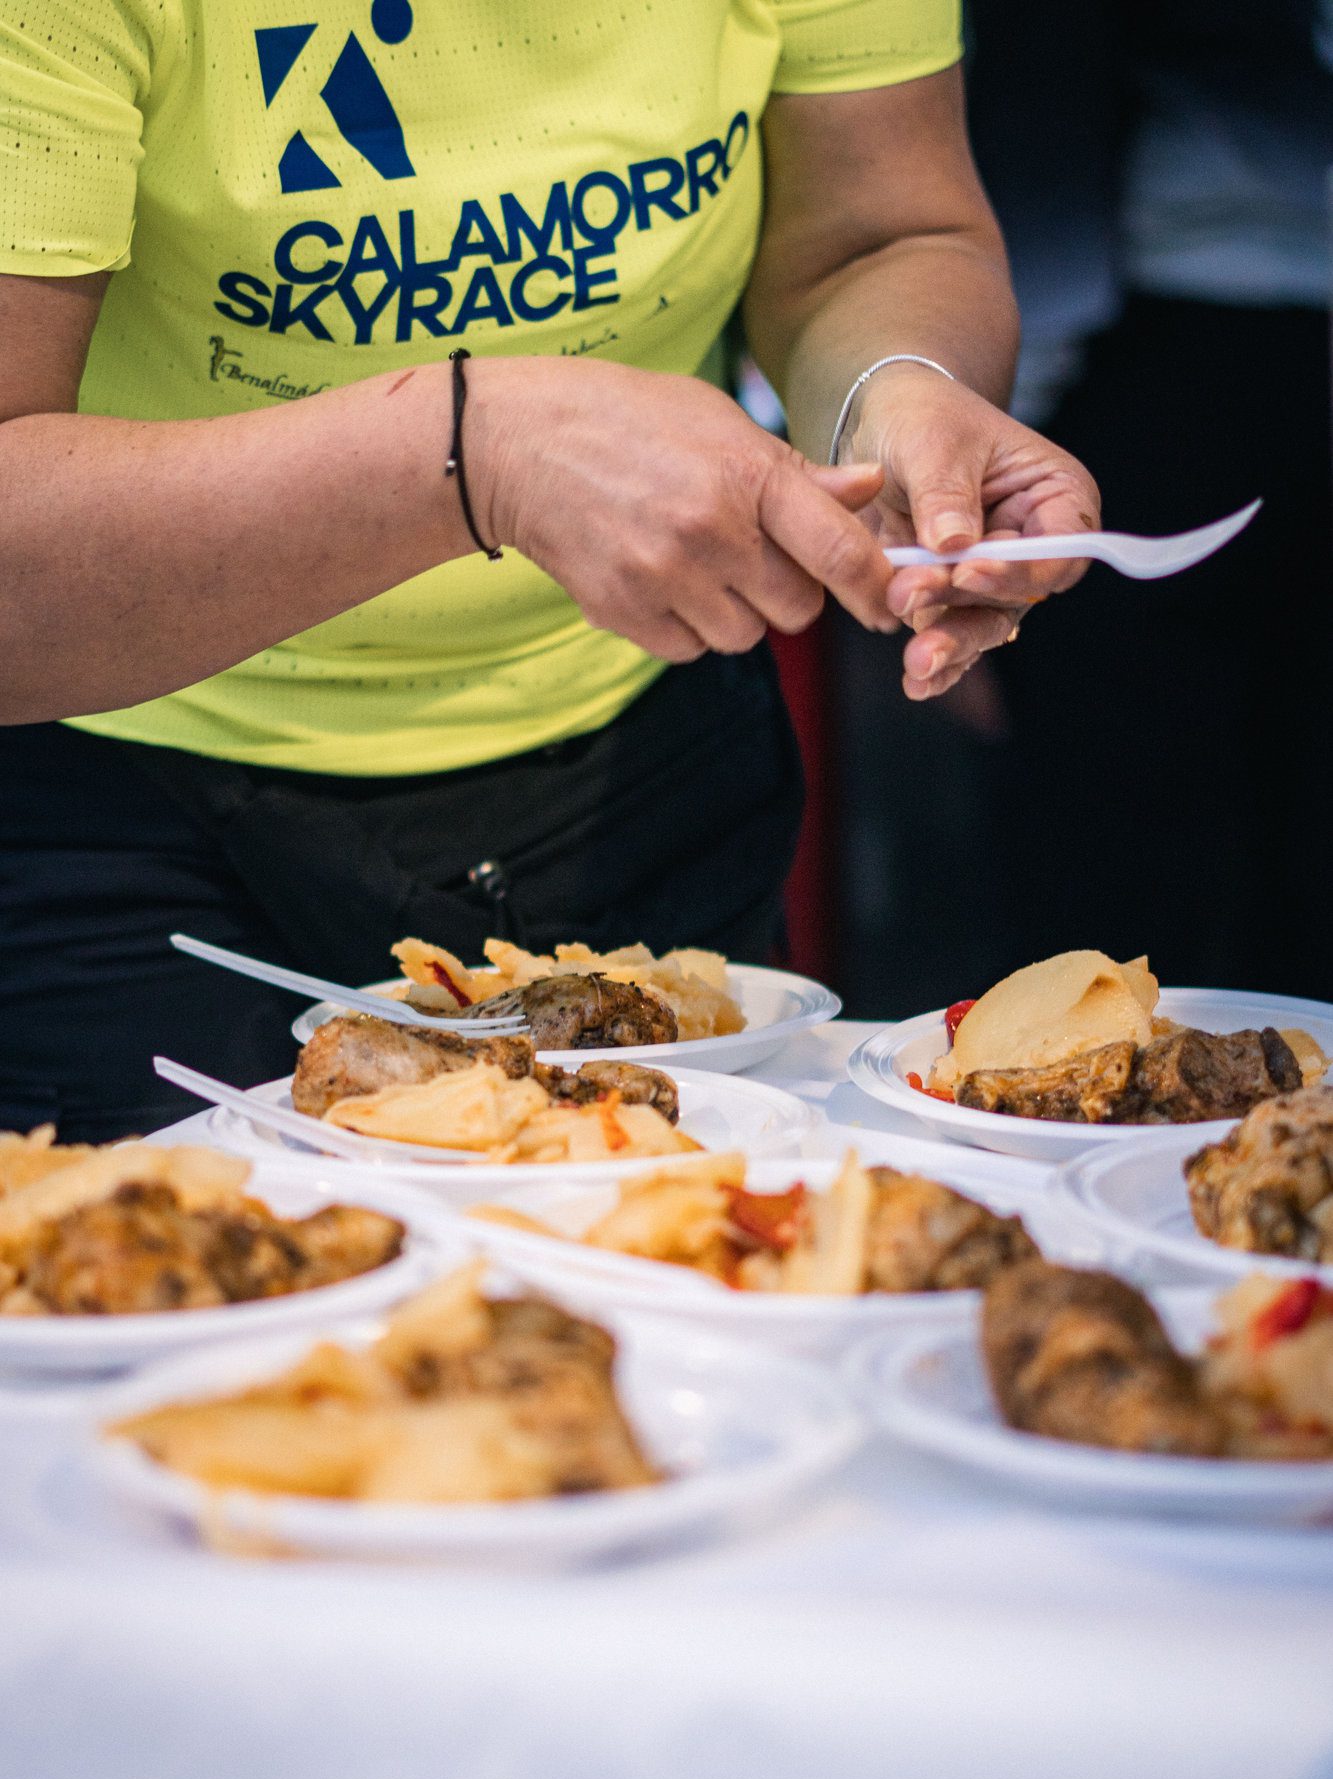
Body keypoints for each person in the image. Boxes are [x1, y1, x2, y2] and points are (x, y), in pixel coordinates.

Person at [0, 0, 1099, 1139]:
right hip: (134, 815)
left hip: (639, 756)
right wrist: (476, 453)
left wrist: (898, 394)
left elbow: (873, 237)